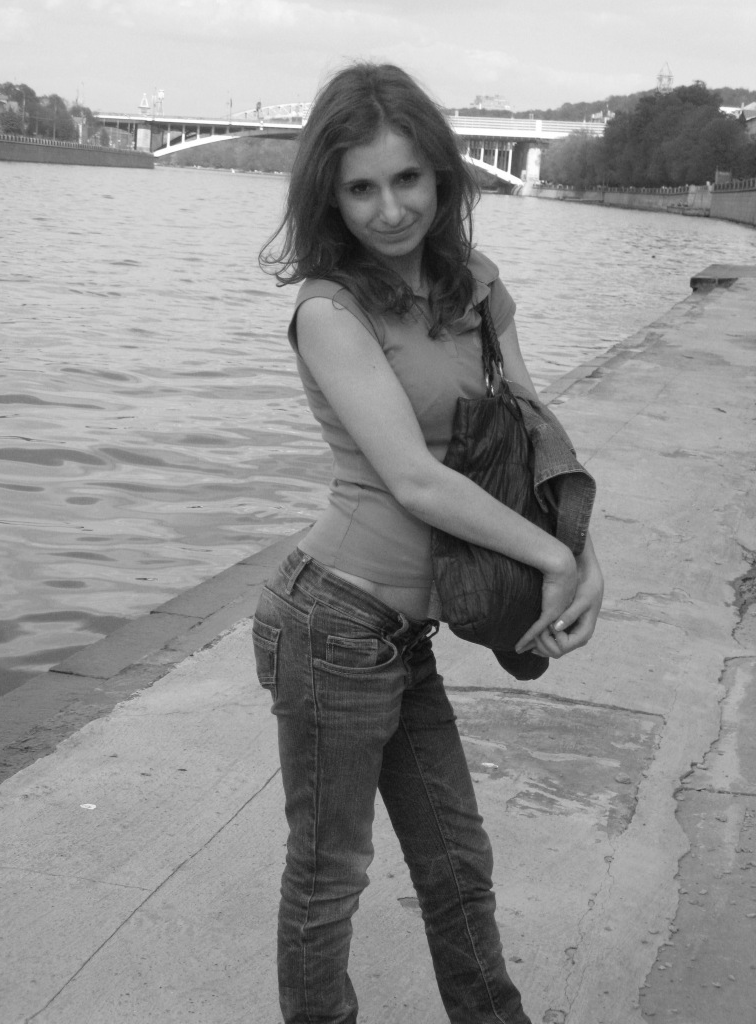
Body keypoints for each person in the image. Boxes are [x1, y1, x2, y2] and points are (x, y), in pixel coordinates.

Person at [255, 61, 604, 1024]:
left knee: (456, 860)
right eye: (360, 188)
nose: (390, 209)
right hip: (331, 624)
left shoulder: (476, 286)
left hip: (405, 636)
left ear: (443, 175)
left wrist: (582, 547)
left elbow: (534, 429)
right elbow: (412, 479)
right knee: (331, 874)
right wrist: (548, 558)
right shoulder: (330, 311)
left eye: (407, 178)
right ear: (329, 196)